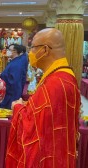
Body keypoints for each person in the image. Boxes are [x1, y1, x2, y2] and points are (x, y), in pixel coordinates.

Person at [6, 28, 80, 167]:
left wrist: (17, 107)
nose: (30, 53)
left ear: (45, 50)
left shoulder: (56, 83)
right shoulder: (62, 76)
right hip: (57, 153)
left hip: (49, 158)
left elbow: (33, 126)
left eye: (33, 48)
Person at [0, 44, 25, 109]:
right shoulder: (14, 61)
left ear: (15, 51)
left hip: (11, 95)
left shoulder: (16, 64)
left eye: (9, 50)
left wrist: (2, 76)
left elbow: (14, 81)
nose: (7, 51)